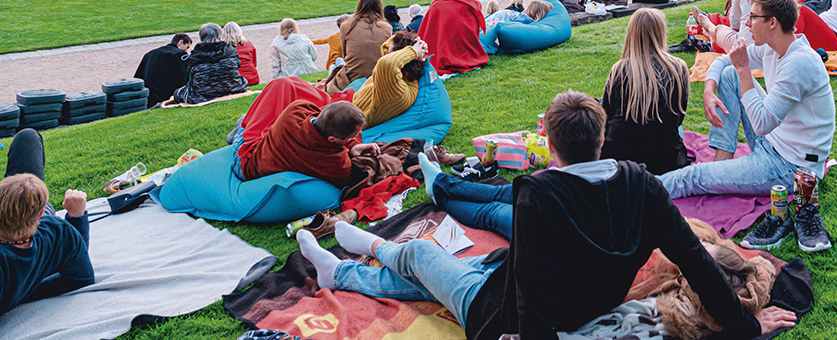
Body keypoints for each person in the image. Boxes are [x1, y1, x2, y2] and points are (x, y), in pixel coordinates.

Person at [296, 90, 789, 340]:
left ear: (549, 145)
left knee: (424, 254)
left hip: (497, 308)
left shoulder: (539, 192)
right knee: (450, 268)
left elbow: (531, 293)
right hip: (559, 293)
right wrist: (744, 327)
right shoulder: (641, 185)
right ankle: (343, 268)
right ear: (601, 138)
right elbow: (695, 261)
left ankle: (365, 252)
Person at [664, 0, 835, 253]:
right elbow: (726, 60)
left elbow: (761, 124)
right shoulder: (774, 48)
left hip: (790, 165)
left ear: (772, 22)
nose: (746, 23)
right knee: (731, 74)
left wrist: (744, 69)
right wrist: (710, 87)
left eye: (752, 17)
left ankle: (637, 189)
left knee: (693, 177)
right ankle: (723, 158)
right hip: (775, 143)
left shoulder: (799, 63)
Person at [0, 129, 94, 316]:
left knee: (27, 138)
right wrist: (77, 217)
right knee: (27, 137)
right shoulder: (59, 232)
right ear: (41, 212)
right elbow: (80, 276)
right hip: (35, 225)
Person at [600, 9, 691, 174]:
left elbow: (605, 114)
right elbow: (679, 117)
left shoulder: (620, 69)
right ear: (660, 32)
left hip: (619, 158)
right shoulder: (678, 68)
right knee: (676, 129)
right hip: (665, 159)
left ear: (631, 33)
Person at [239, 98, 374, 186]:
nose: (356, 138)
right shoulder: (335, 162)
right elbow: (348, 180)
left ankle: (243, 123)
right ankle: (241, 126)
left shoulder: (296, 109)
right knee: (243, 134)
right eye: (351, 138)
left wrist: (353, 145)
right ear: (332, 140)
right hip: (245, 164)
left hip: (256, 149)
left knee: (258, 124)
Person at [417, 0, 488, 75]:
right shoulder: (472, 2)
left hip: (445, 50)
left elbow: (428, 34)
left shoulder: (437, 6)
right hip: (467, 50)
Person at [173, 23, 247, 104]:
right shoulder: (229, 50)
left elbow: (190, 72)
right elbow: (237, 65)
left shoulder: (195, 55)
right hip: (233, 88)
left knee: (178, 93)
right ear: (220, 37)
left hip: (202, 95)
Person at [339, 0, 395, 83]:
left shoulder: (346, 26)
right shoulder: (386, 28)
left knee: (336, 64)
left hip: (352, 79)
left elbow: (344, 55)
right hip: (377, 79)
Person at [135, 33, 193, 106]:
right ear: (180, 42)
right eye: (187, 47)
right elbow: (183, 81)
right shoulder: (180, 55)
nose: (186, 51)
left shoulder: (149, 54)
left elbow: (138, 78)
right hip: (167, 98)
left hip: (148, 98)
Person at [223, 22, 259, 86]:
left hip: (237, 81)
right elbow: (254, 63)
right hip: (253, 78)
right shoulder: (248, 44)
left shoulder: (225, 49)